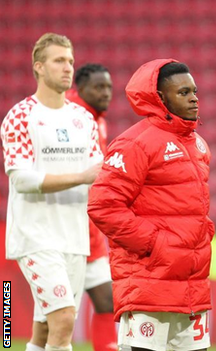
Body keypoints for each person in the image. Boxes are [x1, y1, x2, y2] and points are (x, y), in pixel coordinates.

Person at [88, 59, 214, 351]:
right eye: (183, 92)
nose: (194, 98)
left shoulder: (198, 145)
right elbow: (103, 206)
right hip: (149, 281)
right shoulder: (134, 143)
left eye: (194, 91)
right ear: (159, 98)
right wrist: (155, 244)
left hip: (192, 287)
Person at [0, 33, 103, 351]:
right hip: (36, 238)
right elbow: (22, 179)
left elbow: (98, 174)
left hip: (74, 237)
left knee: (44, 330)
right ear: (39, 67)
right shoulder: (20, 116)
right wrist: (81, 176)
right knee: (64, 320)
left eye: (70, 61)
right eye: (59, 60)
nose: (68, 67)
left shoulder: (83, 119)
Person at [65, 63, 117, 351]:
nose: (106, 93)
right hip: (68, 226)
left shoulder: (97, 119)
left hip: (91, 229)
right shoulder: (70, 117)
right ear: (79, 88)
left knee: (107, 299)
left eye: (108, 87)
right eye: (99, 87)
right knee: (61, 310)